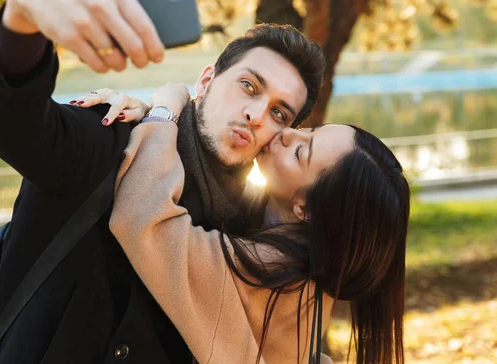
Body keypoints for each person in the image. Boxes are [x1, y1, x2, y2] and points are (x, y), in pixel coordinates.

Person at [0, 0, 326, 363]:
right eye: (248, 86)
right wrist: (22, 18)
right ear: (206, 81)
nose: (257, 114)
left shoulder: (250, 235)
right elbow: (7, 122)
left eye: (279, 112)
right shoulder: (109, 138)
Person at [90, 84, 410, 364]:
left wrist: (164, 113)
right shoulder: (312, 265)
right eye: (311, 130)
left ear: (307, 209)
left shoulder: (268, 273)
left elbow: (144, 223)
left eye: (301, 151)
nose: (287, 133)